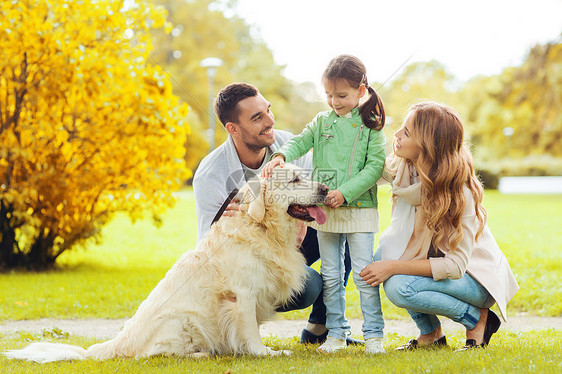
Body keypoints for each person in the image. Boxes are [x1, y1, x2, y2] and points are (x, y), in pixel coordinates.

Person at [192, 82, 360, 346]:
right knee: (309, 287)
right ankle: (245, 328)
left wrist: (300, 219)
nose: (269, 120)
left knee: (347, 230)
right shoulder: (211, 174)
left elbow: (315, 191)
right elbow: (208, 250)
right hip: (249, 259)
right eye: (257, 117)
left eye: (267, 110)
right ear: (232, 129)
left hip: (291, 234)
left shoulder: (286, 144)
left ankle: (320, 328)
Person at [359, 102, 519, 351]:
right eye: (401, 128)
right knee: (385, 254)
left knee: (399, 285)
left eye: (407, 132)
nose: (397, 135)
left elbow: (455, 266)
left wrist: (392, 266)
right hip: (438, 263)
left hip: (475, 279)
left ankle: (478, 319)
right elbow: (365, 172)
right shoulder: (405, 167)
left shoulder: (459, 192)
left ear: (428, 146)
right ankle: (431, 334)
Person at [262, 55, 387, 354]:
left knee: (363, 274)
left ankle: (374, 336)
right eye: (329, 95)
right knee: (331, 275)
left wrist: (345, 193)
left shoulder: (371, 126)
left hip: (359, 212)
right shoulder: (321, 121)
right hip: (327, 214)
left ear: (361, 90)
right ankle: (336, 333)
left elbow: (374, 168)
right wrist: (280, 156)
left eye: (341, 95)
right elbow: (300, 141)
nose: (334, 102)